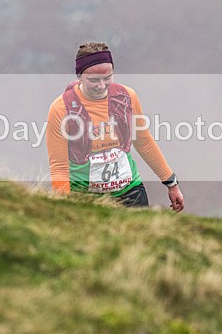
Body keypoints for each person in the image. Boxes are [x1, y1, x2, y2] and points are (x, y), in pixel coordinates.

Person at [46, 42, 185, 211]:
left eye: (108, 78)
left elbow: (144, 142)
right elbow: (59, 168)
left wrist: (171, 184)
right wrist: (63, 207)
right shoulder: (62, 108)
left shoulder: (127, 97)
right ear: (79, 76)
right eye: (93, 80)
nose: (102, 85)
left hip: (130, 192)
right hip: (85, 197)